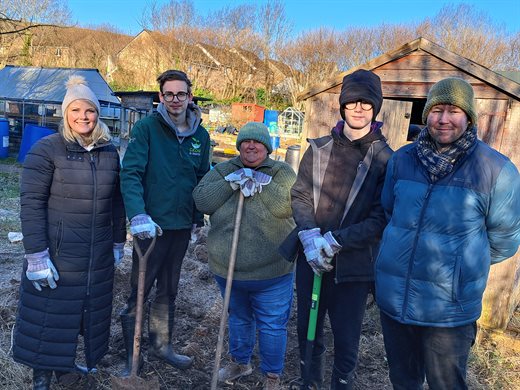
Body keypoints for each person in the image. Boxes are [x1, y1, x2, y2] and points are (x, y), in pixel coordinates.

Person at [375, 77, 520, 390]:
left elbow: (505, 240)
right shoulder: (402, 160)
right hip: (396, 298)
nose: (443, 119)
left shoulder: (495, 170)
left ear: (468, 117)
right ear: (426, 114)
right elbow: (390, 212)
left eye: (453, 111)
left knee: (447, 385)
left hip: (448, 310)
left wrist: (460, 267)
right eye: (436, 110)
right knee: (403, 381)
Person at [280, 69, 392, 389]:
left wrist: (336, 240)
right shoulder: (319, 148)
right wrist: (310, 234)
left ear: (375, 108)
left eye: (366, 103)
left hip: (352, 268)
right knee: (307, 330)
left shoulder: (385, 159)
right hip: (311, 258)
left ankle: (341, 384)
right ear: (342, 106)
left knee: (346, 337)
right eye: (352, 101)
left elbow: (380, 217)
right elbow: (300, 194)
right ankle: (309, 381)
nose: (358, 108)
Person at [13, 76, 126, 390]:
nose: (83, 116)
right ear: (65, 113)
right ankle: (41, 377)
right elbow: (31, 203)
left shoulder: (108, 151)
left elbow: (117, 200)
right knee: (47, 316)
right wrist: (36, 254)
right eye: (75, 109)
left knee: (78, 316)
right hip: (57, 252)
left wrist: (118, 238)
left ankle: (64, 368)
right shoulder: (47, 150)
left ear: (97, 113)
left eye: (88, 110)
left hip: (96, 253)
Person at [193, 122, 296, 390]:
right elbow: (203, 201)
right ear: (239, 146)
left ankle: (272, 374)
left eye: (258, 142)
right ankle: (240, 361)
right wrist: (230, 183)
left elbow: (286, 207)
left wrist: (263, 185)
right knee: (239, 318)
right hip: (228, 270)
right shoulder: (225, 169)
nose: (251, 146)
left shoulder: (282, 172)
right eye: (246, 142)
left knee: (272, 325)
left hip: (272, 271)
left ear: (267, 148)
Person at [119, 69, 210, 374]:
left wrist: (198, 219)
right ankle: (131, 353)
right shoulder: (147, 128)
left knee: (169, 289)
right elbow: (130, 172)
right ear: (160, 97)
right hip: (151, 227)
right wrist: (138, 214)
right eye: (168, 94)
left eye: (180, 94)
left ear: (189, 96)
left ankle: (162, 346)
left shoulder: (201, 135)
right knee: (140, 289)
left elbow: (201, 179)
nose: (174, 100)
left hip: (181, 226)